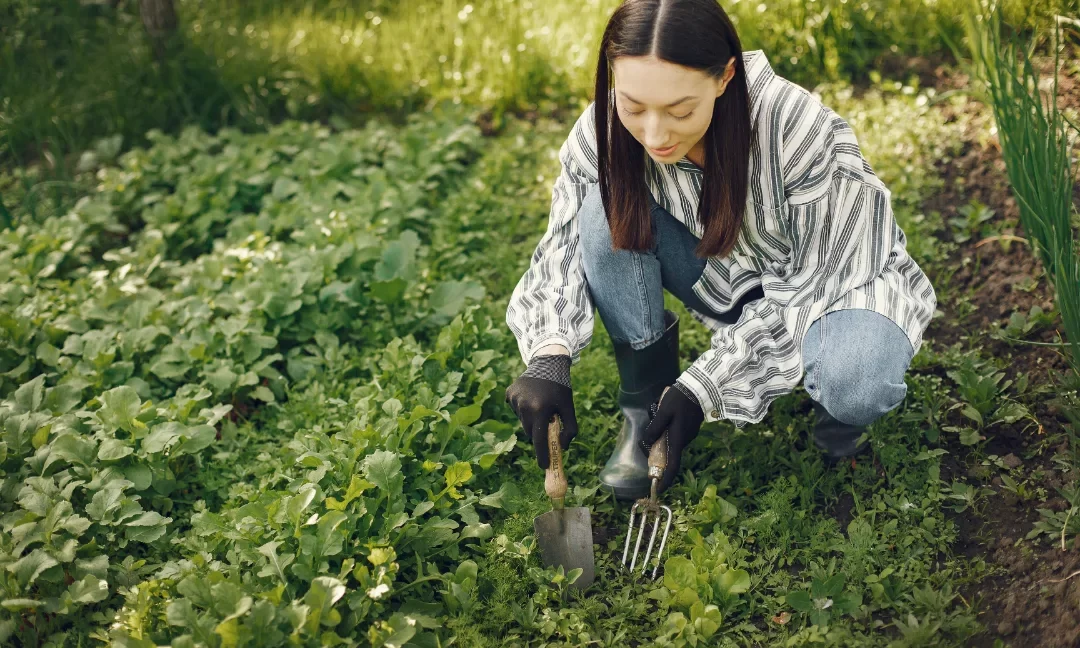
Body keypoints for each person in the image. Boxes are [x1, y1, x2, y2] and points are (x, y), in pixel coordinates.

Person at [503, 0, 936, 500]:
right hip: (725, 275)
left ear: (726, 76)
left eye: (681, 110)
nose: (654, 134)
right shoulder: (604, 125)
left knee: (855, 383)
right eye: (633, 106)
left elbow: (812, 286)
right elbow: (562, 242)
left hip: (835, 284)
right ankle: (646, 411)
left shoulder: (796, 128)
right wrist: (549, 357)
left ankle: (837, 421)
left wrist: (701, 388)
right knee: (601, 212)